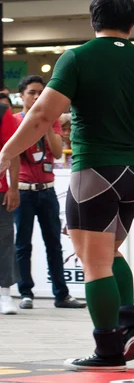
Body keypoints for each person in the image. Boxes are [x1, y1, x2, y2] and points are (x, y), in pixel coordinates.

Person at [0, 0, 134, 371]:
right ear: (132, 24)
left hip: (94, 171)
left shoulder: (77, 57)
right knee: (110, 254)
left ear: (92, 21)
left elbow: (38, 118)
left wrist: (6, 152)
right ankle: (128, 325)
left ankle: (108, 350)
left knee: (94, 263)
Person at [14, 75, 85, 311]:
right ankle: (26, 292)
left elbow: (56, 152)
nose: (36, 97)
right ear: (21, 95)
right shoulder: (14, 121)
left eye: (40, 93)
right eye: (31, 92)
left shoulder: (52, 121)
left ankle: (61, 294)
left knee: (54, 243)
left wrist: (44, 126)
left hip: (47, 190)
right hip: (23, 190)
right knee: (23, 244)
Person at [0, 104, 21, 315]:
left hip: (0, 190)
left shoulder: (2, 111)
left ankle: (4, 294)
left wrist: (13, 187)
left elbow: (12, 151)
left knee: (4, 241)